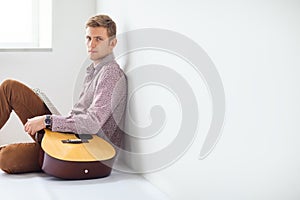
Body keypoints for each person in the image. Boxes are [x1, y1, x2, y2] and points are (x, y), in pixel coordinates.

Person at [0, 14, 127, 174]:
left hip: (90, 151)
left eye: (98, 39)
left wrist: (47, 120)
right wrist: (56, 123)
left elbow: (93, 123)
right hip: (73, 137)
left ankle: (48, 148)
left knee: (6, 157)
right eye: (88, 38)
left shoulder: (110, 74)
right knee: (10, 88)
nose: (91, 44)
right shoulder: (94, 71)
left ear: (112, 43)